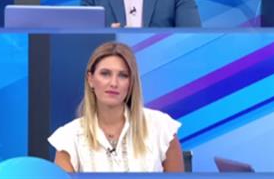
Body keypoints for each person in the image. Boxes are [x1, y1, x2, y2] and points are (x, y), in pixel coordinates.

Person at [49, 42, 184, 172]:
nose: (114, 83)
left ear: (131, 82)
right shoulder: (69, 138)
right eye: (105, 74)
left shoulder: (161, 128)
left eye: (123, 75)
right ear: (90, 79)